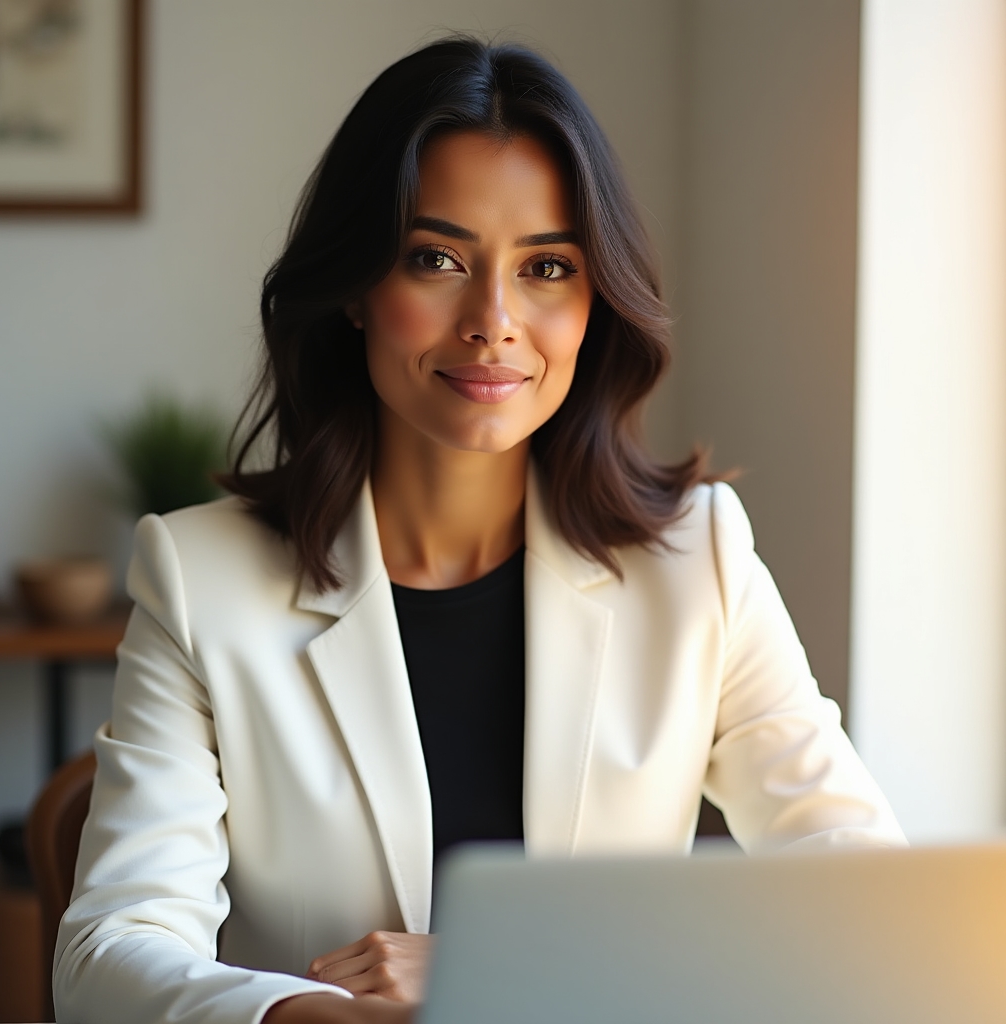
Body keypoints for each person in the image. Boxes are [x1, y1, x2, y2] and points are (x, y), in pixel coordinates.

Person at [54, 36, 905, 1024]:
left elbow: (866, 904)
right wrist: (320, 1017)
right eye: (436, 259)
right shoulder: (200, 577)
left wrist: (506, 969)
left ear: (595, 302)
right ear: (357, 290)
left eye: (546, 266)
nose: (493, 319)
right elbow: (108, 957)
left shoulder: (697, 558)